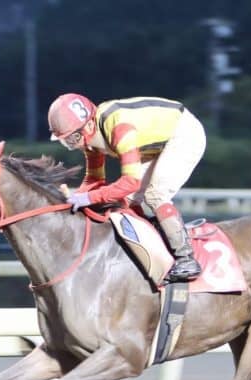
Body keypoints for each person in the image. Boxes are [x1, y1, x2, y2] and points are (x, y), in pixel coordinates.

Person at [48, 93, 206, 283]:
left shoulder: (119, 128)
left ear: (88, 126)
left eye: (72, 139)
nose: (72, 146)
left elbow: (131, 182)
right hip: (159, 140)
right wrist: (74, 199)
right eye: (65, 141)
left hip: (184, 134)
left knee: (155, 194)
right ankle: (154, 244)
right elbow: (94, 180)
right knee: (126, 202)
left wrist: (87, 198)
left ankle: (186, 259)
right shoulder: (90, 139)